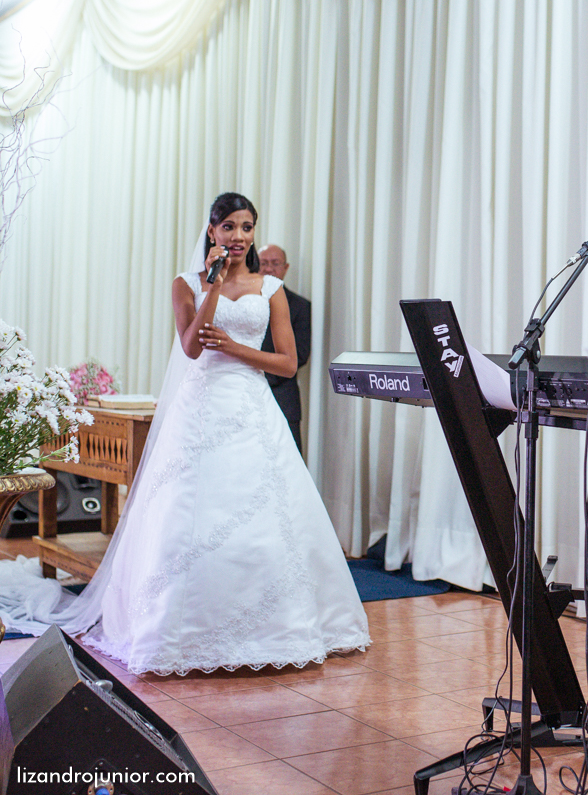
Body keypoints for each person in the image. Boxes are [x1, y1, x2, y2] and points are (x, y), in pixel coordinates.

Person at [66, 193, 369, 676]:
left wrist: (234, 347)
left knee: (265, 515)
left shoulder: (270, 288)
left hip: (251, 406)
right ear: (211, 232)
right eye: (229, 227)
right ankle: (177, 630)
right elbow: (189, 348)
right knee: (188, 514)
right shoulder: (185, 284)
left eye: (247, 227)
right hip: (200, 408)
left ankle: (279, 626)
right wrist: (212, 287)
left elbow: (288, 364)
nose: (239, 236)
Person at [258, 244, 312, 454]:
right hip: (243, 397)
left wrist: (259, 374)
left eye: (275, 263)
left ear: (286, 267)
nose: (269, 269)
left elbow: (300, 354)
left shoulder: (300, 306)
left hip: (283, 398)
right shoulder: (242, 301)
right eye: (263, 263)